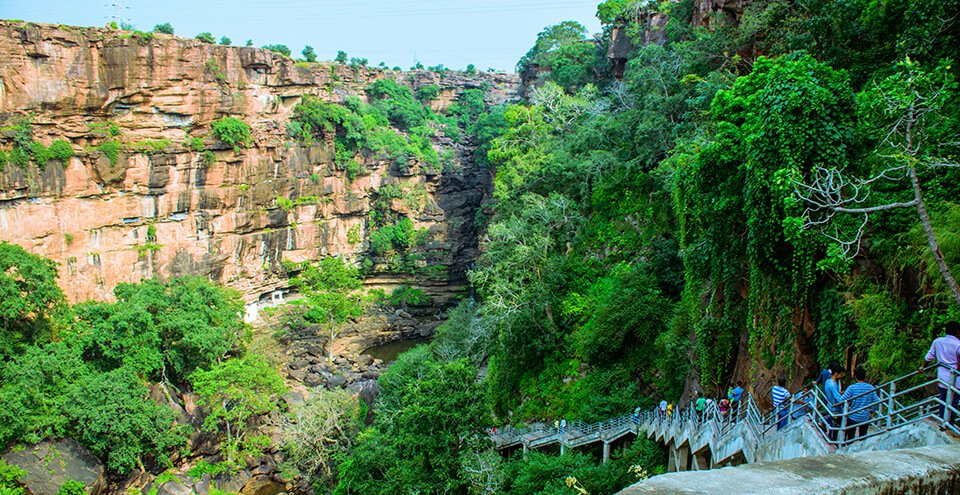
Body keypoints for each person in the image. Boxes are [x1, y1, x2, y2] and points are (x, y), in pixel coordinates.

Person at [922, 321, 960, 425]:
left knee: (943, 399)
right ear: (957, 332)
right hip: (956, 378)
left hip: (942, 377)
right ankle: (949, 423)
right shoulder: (958, 345)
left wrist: (923, 367)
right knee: (954, 401)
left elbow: (929, 356)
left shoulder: (938, 341)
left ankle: (942, 421)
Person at [839, 366, 878, 443]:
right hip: (865, 416)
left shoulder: (852, 388)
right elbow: (877, 401)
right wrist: (871, 411)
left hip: (853, 416)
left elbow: (842, 400)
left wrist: (846, 408)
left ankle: (848, 447)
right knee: (863, 437)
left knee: (850, 437)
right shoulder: (870, 387)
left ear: (855, 376)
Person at [824, 365, 846, 442]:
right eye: (840, 374)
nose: (841, 376)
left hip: (830, 405)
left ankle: (830, 437)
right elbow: (837, 398)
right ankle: (833, 441)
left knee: (832, 426)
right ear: (836, 373)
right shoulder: (833, 384)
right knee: (835, 427)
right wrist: (845, 402)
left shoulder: (828, 381)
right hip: (835, 408)